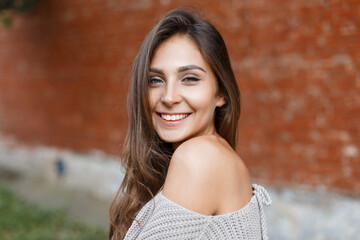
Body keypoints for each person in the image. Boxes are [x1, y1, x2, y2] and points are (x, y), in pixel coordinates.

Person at [109, 8, 271, 240]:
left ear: (221, 93)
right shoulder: (215, 154)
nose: (169, 97)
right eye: (156, 80)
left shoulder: (199, 158)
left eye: (190, 79)